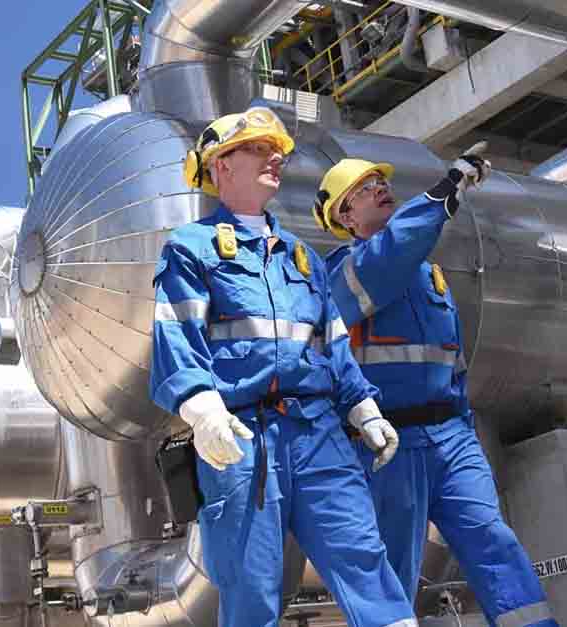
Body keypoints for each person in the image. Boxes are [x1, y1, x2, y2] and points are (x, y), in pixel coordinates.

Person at [149, 106, 417, 627]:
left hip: (318, 432)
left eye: (277, 150)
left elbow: (333, 343)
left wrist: (363, 409)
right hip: (242, 436)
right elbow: (176, 337)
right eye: (257, 148)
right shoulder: (191, 248)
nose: (275, 157)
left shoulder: (301, 257)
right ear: (221, 166)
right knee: (250, 585)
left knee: (364, 560)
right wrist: (203, 412)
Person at [312, 150, 559, 627]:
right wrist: (446, 190)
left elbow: (453, 360)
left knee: (493, 541)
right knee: (393, 569)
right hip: (387, 445)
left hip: (450, 436)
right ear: (344, 214)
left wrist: (464, 427)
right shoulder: (341, 274)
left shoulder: (429, 275)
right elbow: (392, 253)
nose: (381, 189)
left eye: (380, 182)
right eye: (364, 188)